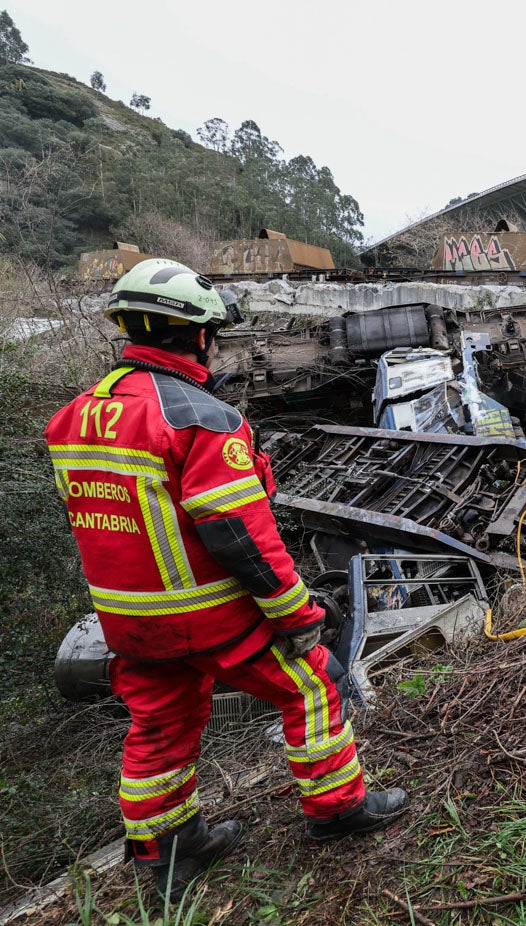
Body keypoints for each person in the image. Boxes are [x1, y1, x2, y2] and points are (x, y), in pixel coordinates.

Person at [45, 260, 408, 902]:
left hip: (125, 620)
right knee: (315, 683)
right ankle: (337, 810)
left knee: (158, 723)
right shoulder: (202, 418)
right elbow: (238, 533)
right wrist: (296, 613)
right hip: (206, 614)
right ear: (198, 336)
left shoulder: (75, 418)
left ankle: (170, 853)